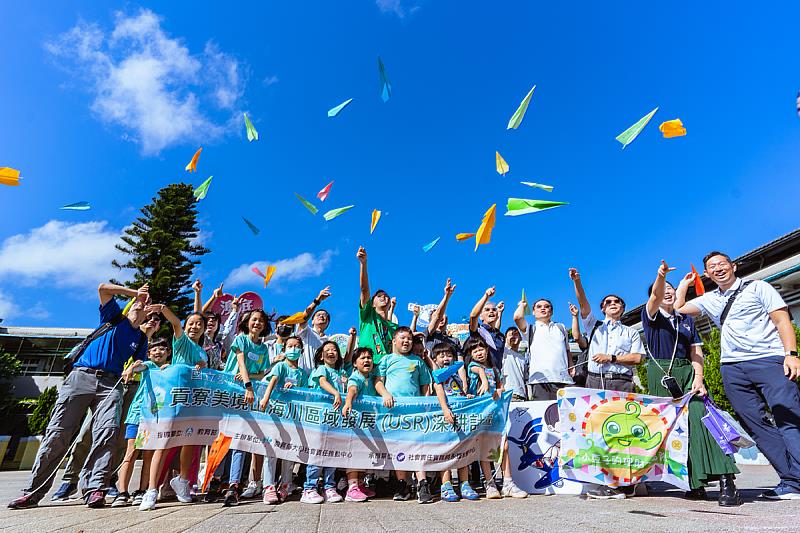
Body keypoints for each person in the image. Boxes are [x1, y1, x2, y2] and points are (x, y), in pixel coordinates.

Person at [9, 283, 156, 510]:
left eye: (144, 305)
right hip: (81, 376)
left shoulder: (141, 338)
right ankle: (33, 491)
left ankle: (95, 488)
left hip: (111, 382)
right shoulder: (114, 318)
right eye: (137, 303)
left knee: (107, 433)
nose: (140, 305)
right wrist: (135, 293)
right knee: (58, 432)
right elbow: (103, 288)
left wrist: (136, 366)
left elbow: (140, 360)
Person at [676, 251, 800, 501]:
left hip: (769, 359)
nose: (718, 268)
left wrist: (792, 354)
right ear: (707, 274)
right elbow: (679, 308)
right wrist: (684, 285)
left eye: (722, 263)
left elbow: (782, 320)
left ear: (733, 266)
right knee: (755, 424)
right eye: (712, 267)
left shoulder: (758, 287)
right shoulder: (709, 299)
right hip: (732, 367)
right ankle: (791, 481)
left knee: (788, 417)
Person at [644, 260, 741, 506]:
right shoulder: (652, 317)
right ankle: (695, 483)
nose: (667, 291)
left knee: (702, 421)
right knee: (676, 431)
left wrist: (699, 378)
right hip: (662, 376)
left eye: (671, 289)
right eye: (663, 289)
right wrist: (661, 276)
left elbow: (696, 352)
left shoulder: (686, 320)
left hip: (687, 373)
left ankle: (727, 480)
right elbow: (656, 295)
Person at [570, 267, 645, 500]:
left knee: (624, 433)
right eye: (609, 302)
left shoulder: (630, 333)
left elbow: (637, 358)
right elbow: (583, 304)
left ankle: (626, 481)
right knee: (597, 432)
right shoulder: (594, 326)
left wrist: (611, 358)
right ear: (603, 308)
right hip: (595, 382)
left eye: (618, 302)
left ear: (622, 308)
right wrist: (577, 281)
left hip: (622, 383)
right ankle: (600, 480)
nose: (614, 304)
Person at [137, 306, 208, 511]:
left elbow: (201, 373)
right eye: (192, 323)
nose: (195, 327)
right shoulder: (182, 341)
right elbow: (176, 323)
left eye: (199, 324)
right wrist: (162, 309)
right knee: (164, 443)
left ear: (204, 329)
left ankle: (183, 481)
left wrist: (201, 367)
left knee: (188, 441)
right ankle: (151, 490)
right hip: (172, 399)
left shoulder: (202, 351)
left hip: (192, 400)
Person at [112, 337, 172, 507]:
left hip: (156, 417)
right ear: (149, 353)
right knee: (131, 453)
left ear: (168, 353)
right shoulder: (149, 366)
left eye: (162, 349)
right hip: (138, 415)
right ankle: (122, 492)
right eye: (154, 349)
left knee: (148, 455)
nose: (158, 352)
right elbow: (141, 366)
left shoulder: (170, 369)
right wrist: (132, 367)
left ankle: (141, 490)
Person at [375, 327, 433, 503]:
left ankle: (423, 483)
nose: (406, 341)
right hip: (393, 412)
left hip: (414, 413)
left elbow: (425, 386)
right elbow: (378, 381)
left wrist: (424, 405)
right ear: (394, 341)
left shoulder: (418, 361)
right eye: (402, 338)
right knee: (399, 448)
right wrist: (385, 394)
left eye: (409, 338)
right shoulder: (386, 360)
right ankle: (402, 484)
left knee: (417, 448)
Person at [221, 309, 272, 507]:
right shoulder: (240, 340)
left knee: (244, 438)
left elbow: (262, 374)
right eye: (254, 320)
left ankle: (236, 484)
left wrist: (250, 380)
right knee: (230, 438)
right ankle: (225, 482)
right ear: (247, 322)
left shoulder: (264, 349)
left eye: (261, 320)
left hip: (250, 396)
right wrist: (248, 385)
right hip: (235, 392)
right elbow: (241, 363)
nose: (257, 323)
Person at [258, 336, 309, 501]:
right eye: (290, 346)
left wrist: (295, 388)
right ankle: (268, 486)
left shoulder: (302, 374)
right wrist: (265, 398)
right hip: (276, 414)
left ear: (301, 351)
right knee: (271, 449)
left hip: (293, 416)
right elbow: (272, 381)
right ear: (284, 350)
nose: (293, 349)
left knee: (289, 450)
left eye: (297, 346)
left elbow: (305, 393)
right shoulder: (280, 366)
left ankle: (286, 484)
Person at [302, 341, 349, 504]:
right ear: (321, 356)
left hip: (335, 419)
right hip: (320, 418)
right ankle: (309, 488)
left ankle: (329, 486)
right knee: (317, 452)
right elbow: (322, 382)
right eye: (327, 350)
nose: (331, 352)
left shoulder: (341, 373)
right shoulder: (321, 369)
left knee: (332, 452)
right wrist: (336, 392)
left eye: (334, 350)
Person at [431, 342, 478, 502]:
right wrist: (445, 409)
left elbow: (459, 392)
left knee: (462, 449)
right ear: (435, 359)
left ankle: (464, 483)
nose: (446, 358)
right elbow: (439, 392)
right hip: (447, 417)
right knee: (447, 451)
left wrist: (467, 397)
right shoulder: (437, 374)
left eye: (449, 355)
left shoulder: (456, 375)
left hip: (461, 416)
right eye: (441, 356)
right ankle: (446, 484)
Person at [463, 337, 505, 499]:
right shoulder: (473, 366)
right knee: (484, 449)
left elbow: (500, 385)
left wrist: (500, 389)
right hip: (479, 413)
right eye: (475, 351)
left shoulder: (495, 370)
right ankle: (489, 483)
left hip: (495, 413)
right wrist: (484, 382)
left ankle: (503, 480)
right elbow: (478, 370)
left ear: (487, 350)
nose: (479, 353)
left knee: (500, 446)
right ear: (470, 354)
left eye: (481, 349)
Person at [513, 297, 574, 401]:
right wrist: (522, 305)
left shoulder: (561, 327)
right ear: (533, 312)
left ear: (551, 311)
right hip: (541, 382)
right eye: (539, 307)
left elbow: (567, 350)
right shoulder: (530, 329)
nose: (543, 309)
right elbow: (518, 317)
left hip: (564, 380)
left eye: (547, 306)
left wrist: (571, 365)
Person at [341, 347, 379, 503]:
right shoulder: (355, 376)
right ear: (355, 364)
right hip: (355, 422)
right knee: (354, 453)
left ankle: (361, 484)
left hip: (367, 422)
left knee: (363, 453)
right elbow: (352, 389)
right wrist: (348, 402)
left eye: (369, 357)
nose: (367, 360)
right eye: (362, 358)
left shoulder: (372, 378)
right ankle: (352, 487)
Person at [357, 246, 397, 362]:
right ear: (372, 303)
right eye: (379, 296)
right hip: (368, 366)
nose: (384, 297)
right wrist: (363, 263)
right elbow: (364, 290)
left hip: (388, 370)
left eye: (386, 296)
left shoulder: (394, 328)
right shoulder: (367, 316)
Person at [296, 287, 333, 373]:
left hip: (320, 381)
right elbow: (303, 318)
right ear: (312, 321)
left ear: (328, 322)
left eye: (325, 315)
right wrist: (317, 300)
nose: (321, 316)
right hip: (303, 378)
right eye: (318, 315)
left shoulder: (329, 341)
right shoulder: (305, 331)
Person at [469, 287, 505, 371]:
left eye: (493, 310)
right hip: (481, 376)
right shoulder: (478, 331)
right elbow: (473, 316)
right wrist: (486, 296)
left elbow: (495, 329)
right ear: (480, 316)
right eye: (487, 310)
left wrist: (500, 312)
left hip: (497, 376)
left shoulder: (500, 336)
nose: (491, 312)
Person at [502, 327, 529, 401]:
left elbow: (526, 380)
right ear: (505, 339)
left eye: (516, 334)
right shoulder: (503, 352)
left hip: (522, 396)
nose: (514, 336)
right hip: (508, 394)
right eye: (511, 334)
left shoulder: (523, 358)